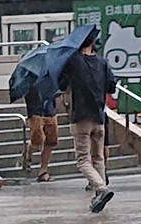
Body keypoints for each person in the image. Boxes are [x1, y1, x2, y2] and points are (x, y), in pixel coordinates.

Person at [59, 29, 116, 213]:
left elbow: (61, 84)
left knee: (83, 160)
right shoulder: (102, 63)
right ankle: (98, 197)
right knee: (98, 157)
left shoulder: (73, 62)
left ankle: (101, 189)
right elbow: (111, 86)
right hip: (99, 117)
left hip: (81, 117)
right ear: (92, 43)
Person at [23, 86, 58, 182]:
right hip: (36, 111)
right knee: (37, 140)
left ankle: (43, 170)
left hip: (50, 110)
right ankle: (28, 152)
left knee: (50, 141)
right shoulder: (30, 77)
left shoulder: (51, 74)